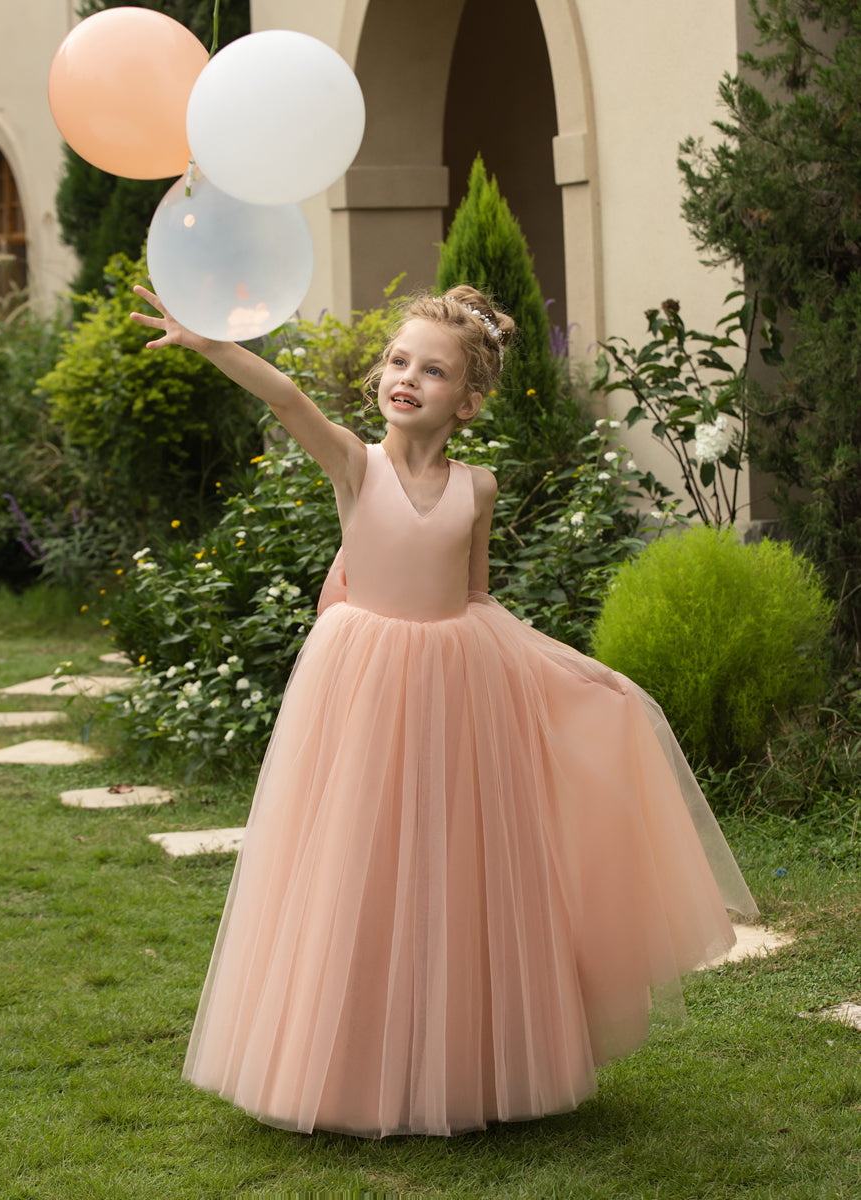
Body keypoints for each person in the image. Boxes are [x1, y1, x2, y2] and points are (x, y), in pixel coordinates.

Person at [131, 283, 757, 1139]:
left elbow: (476, 603)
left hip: (456, 691)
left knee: (457, 871)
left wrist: (573, 669)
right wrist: (209, 343)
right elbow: (286, 398)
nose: (406, 378)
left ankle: (459, 1061)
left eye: (432, 370)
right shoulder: (356, 464)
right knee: (361, 860)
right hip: (363, 687)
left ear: (467, 401)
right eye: (397, 362)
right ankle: (347, 1062)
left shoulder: (479, 488)